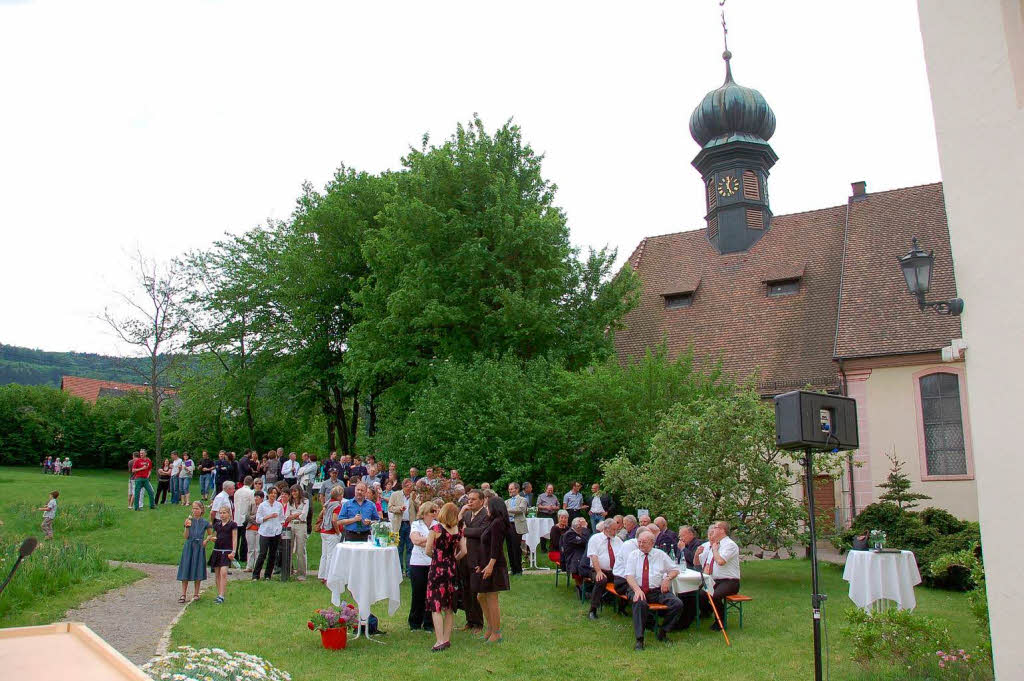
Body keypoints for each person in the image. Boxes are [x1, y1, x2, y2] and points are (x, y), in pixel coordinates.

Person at [624, 530, 683, 650]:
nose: (640, 545)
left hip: (656, 590)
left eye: (644, 542)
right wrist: (637, 590)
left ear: (652, 543)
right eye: (639, 542)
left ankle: (663, 631)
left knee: (677, 604)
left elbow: (675, 569)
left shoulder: (660, 555)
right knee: (640, 603)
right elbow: (629, 576)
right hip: (637, 588)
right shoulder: (633, 555)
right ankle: (639, 639)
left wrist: (667, 578)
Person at [425, 502, 467, 652]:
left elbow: (428, 550)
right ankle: (447, 639)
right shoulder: (458, 530)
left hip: (437, 568)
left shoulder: (435, 529)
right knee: (449, 605)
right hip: (452, 569)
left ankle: (439, 640)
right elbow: (464, 551)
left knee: (436, 605)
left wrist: (437, 557)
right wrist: (454, 558)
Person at [473, 495, 510, 643]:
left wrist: (490, 565)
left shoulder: (498, 523)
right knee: (481, 596)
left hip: (494, 565)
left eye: (488, 506)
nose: (487, 508)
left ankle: (497, 632)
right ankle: (490, 628)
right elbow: (485, 546)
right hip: (486, 563)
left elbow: (496, 546)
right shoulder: (492, 522)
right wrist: (481, 564)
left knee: (492, 597)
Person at [696, 521, 741, 630]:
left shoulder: (729, 545)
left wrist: (715, 550)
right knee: (700, 594)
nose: (713, 530)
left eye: (715, 528)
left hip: (730, 581)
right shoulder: (715, 544)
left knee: (715, 595)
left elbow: (720, 561)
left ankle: (720, 621)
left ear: (722, 530)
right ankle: (707, 613)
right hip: (715, 579)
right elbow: (708, 564)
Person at [580, 519, 625, 619]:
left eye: (616, 530)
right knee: (601, 580)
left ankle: (622, 608)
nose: (615, 532)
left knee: (626, 581)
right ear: (605, 529)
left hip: (614, 571)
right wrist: (599, 571)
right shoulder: (595, 539)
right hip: (596, 569)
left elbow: (624, 555)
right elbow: (594, 556)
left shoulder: (617, 540)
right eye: (613, 530)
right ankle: (592, 610)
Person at [458, 489, 487, 632]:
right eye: (469, 499)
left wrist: (465, 531)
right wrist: (461, 513)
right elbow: (454, 527)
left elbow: (482, 532)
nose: (470, 502)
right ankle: (469, 620)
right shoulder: (467, 514)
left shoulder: (486, 514)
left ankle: (479, 622)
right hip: (464, 557)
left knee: (476, 590)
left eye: (473, 499)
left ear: (481, 501)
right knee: (466, 590)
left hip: (477, 557)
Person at [408, 501, 437, 632]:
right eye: (432, 511)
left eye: (435, 511)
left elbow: (440, 541)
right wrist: (431, 538)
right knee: (418, 592)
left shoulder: (438, 525)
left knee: (431, 594)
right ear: (425, 513)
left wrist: (424, 539)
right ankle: (414, 622)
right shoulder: (416, 524)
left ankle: (429, 623)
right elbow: (415, 540)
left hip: (433, 562)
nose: (434, 514)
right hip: (418, 562)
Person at [177, 501, 212, 602]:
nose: (195, 510)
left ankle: (196, 593)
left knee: (198, 568)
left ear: (201, 510)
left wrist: (206, 540)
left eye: (197, 508)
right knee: (186, 567)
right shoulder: (189, 520)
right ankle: (183, 594)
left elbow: (210, 534)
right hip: (189, 545)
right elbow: (186, 536)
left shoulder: (205, 522)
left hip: (199, 546)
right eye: (193, 508)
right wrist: (187, 527)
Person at [252, 487, 284, 580]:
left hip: (276, 532)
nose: (273, 495)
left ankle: (267, 575)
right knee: (262, 553)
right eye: (271, 493)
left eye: (275, 493)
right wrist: (268, 516)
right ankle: (256, 575)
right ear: (268, 494)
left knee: (272, 554)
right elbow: (258, 519)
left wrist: (280, 526)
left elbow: (282, 518)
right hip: (265, 532)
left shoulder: (279, 505)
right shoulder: (263, 505)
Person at [208, 506, 237, 604]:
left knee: (223, 572)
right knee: (217, 574)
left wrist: (233, 551)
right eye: (220, 513)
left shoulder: (232, 524)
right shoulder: (217, 524)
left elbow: (234, 538)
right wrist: (212, 538)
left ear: (229, 513)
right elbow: (214, 535)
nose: (222, 515)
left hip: (226, 550)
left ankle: (221, 595)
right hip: (217, 550)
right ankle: (219, 593)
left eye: (224, 513)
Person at [317, 487, 344, 582]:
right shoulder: (337, 506)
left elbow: (321, 514)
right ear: (339, 496)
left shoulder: (327, 503)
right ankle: (328, 577)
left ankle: (321, 574)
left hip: (323, 530)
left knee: (324, 554)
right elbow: (334, 520)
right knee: (331, 555)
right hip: (331, 533)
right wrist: (338, 532)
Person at [389, 478, 413, 574]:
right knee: (397, 547)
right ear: (403, 486)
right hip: (398, 524)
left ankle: (409, 571)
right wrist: (399, 508)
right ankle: (398, 570)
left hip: (410, 524)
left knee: (410, 548)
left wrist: (415, 499)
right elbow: (390, 508)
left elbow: (419, 508)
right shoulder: (395, 494)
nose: (410, 488)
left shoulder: (414, 496)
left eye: (411, 486)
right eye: (408, 486)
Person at [560, 516, 591, 585]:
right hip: (573, 560)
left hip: (578, 558)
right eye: (581, 526)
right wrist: (584, 528)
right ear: (577, 527)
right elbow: (585, 541)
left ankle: (587, 588)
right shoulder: (570, 534)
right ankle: (582, 589)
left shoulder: (577, 533)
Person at [505, 482, 527, 576]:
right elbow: (504, 512)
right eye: (509, 489)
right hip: (508, 525)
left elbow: (521, 509)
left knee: (516, 547)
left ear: (517, 489)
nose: (510, 491)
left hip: (517, 525)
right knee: (509, 547)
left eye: (511, 489)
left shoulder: (523, 499)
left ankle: (519, 569)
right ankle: (513, 569)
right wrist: (511, 510)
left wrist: (508, 510)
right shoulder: (507, 501)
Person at [233, 476, 255, 570]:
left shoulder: (237, 491)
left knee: (236, 537)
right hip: (245, 516)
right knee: (244, 538)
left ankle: (235, 554)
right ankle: (243, 555)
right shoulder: (251, 492)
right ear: (252, 483)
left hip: (237, 516)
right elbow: (252, 504)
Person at [288, 486, 309, 580]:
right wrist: (297, 514)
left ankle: (301, 573)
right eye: (292, 491)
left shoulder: (305, 501)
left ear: (299, 491)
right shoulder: (289, 502)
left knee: (301, 549)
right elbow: (287, 515)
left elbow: (303, 515)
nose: (294, 493)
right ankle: (288, 571)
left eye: (295, 491)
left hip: (301, 525)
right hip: (290, 525)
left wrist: (294, 515)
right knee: (288, 548)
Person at [536, 484, 559, 552]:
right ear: (546, 489)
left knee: (554, 531)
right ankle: (543, 548)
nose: (550, 491)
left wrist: (554, 507)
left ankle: (552, 548)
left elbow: (558, 506)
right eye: (549, 490)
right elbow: (537, 506)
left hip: (553, 515)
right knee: (543, 531)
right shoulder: (541, 496)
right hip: (543, 515)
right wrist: (546, 507)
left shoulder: (555, 497)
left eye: (551, 490)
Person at [244, 490, 264, 571]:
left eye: (258, 497)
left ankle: (257, 566)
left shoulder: (263, 506)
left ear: (262, 498)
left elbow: (262, 517)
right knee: (250, 548)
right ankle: (249, 566)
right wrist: (255, 520)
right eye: (255, 497)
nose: (256, 499)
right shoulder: (251, 505)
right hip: (250, 528)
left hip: (260, 529)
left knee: (258, 549)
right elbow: (247, 516)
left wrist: (254, 517)